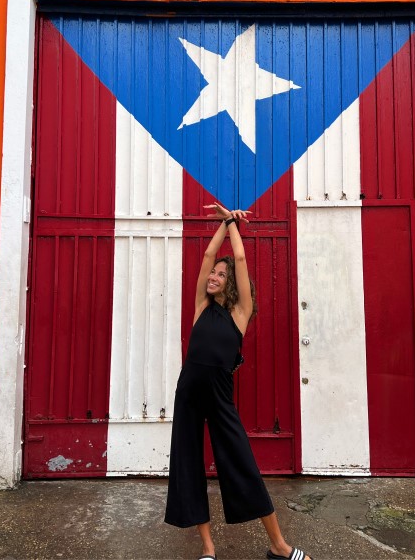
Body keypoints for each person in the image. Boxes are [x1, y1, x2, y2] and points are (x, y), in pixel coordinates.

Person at [165, 202, 313, 560]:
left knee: (242, 463)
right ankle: (207, 548)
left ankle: (279, 546)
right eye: (212, 274)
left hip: (219, 396)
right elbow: (207, 254)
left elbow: (241, 261)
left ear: (231, 284)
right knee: (188, 465)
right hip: (188, 393)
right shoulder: (201, 305)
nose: (213, 276)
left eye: (220, 275)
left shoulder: (240, 313)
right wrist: (223, 225)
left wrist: (233, 222)